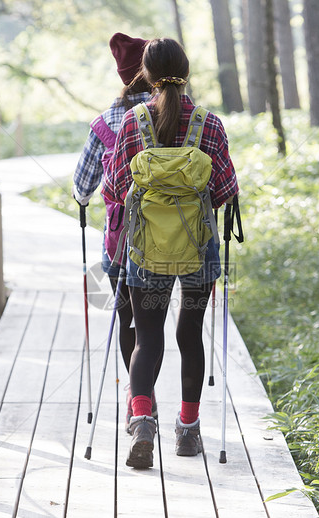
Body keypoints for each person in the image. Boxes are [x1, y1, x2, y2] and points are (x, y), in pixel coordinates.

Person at [102, 38, 239, 469]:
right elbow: (225, 192)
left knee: (147, 339)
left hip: (145, 251)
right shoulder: (209, 125)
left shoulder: (132, 122)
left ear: (145, 74)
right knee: (190, 335)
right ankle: (188, 429)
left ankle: (142, 420)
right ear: (187, 69)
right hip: (197, 251)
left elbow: (114, 190)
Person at [72, 32, 153, 386]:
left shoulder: (106, 122)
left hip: (121, 243)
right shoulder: (175, 113)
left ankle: (140, 404)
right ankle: (145, 400)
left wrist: (83, 200)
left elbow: (82, 185)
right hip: (175, 238)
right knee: (156, 330)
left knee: (129, 323)